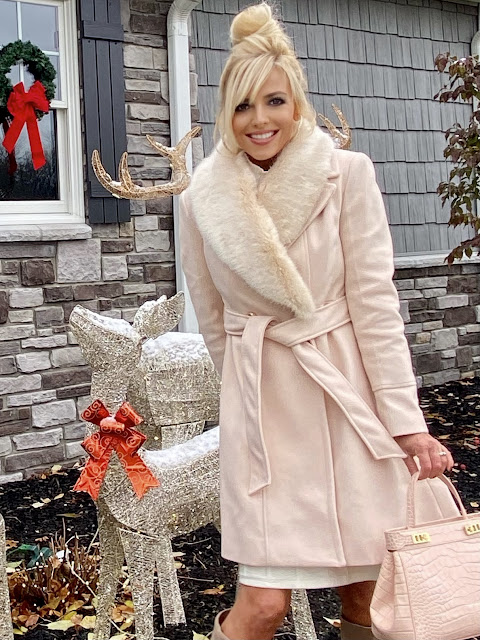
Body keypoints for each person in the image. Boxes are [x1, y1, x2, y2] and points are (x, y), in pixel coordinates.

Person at [179, 4, 457, 640]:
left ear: (296, 103)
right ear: (226, 114)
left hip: (348, 401)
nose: (259, 120)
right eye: (243, 106)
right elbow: (215, 323)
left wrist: (406, 423)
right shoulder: (200, 201)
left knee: (367, 594)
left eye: (274, 101)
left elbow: (375, 305)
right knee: (263, 606)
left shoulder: (346, 175)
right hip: (265, 414)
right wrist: (243, 396)